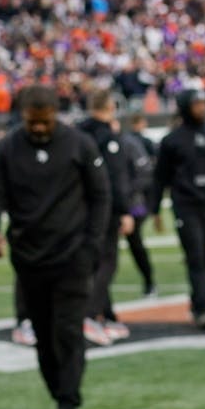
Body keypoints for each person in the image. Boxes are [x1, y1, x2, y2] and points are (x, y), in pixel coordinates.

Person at [0, 85, 109, 409]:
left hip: (72, 257)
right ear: (23, 116)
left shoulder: (79, 144)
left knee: (68, 332)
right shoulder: (8, 147)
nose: (38, 128)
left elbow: (101, 195)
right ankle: (61, 397)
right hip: (28, 258)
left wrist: (91, 246)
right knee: (42, 337)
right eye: (32, 122)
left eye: (45, 121)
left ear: (56, 114)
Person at [153, 88, 205, 330]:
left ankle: (197, 299)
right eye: (196, 103)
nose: (201, 107)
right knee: (196, 257)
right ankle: (202, 309)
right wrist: (155, 209)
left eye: (203, 103)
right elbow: (160, 177)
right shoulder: (171, 140)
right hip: (187, 207)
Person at [78, 90, 137, 346]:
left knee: (94, 262)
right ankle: (89, 315)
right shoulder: (107, 136)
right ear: (110, 106)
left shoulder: (78, 132)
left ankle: (107, 314)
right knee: (107, 262)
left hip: (80, 207)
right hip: (105, 207)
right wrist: (124, 210)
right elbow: (115, 177)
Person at [120, 112, 157, 296]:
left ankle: (149, 281)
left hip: (132, 202)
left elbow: (146, 171)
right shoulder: (128, 141)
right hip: (119, 201)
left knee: (135, 243)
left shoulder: (129, 143)